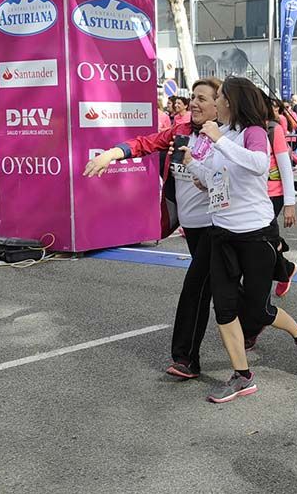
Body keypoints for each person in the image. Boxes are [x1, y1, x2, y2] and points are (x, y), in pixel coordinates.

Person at [183, 76, 297, 402]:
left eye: (218, 98)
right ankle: (241, 375)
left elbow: (260, 165)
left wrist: (219, 141)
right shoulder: (224, 135)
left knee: (257, 310)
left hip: (256, 234)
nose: (213, 104)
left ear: (231, 102)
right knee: (225, 308)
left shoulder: (252, 132)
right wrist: (194, 167)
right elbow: (215, 177)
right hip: (222, 233)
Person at [84, 78, 227, 379]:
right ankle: (266, 303)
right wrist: (110, 154)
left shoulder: (227, 138)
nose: (195, 103)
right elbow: (145, 143)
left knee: (195, 290)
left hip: (219, 226)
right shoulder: (180, 132)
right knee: (231, 294)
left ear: (220, 104)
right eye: (193, 97)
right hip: (192, 227)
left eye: (203, 98)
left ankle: (186, 359)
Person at [266, 96, 297, 298]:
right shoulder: (242, 128)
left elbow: (285, 167)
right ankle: (286, 268)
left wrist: (290, 203)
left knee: (263, 240)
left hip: (273, 194)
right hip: (251, 196)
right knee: (264, 241)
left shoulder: (273, 129)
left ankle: (284, 270)